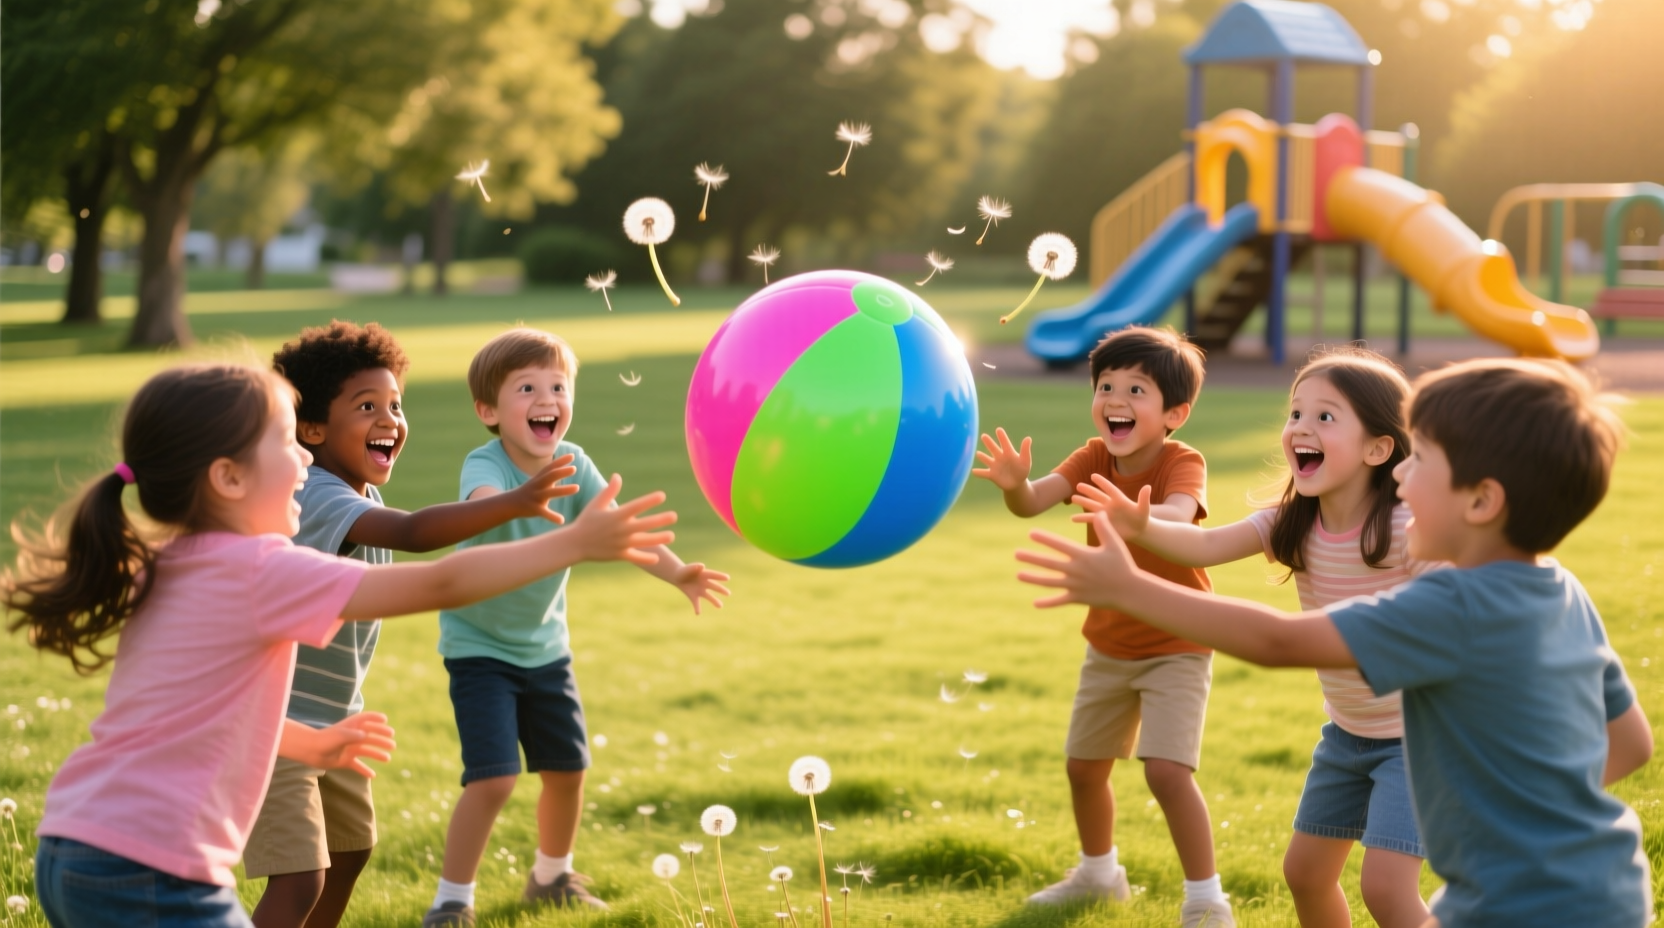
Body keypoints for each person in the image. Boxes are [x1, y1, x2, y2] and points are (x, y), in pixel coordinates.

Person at [4, 362, 676, 928]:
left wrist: (309, 743)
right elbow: (441, 580)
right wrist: (574, 542)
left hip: (74, 841)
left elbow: (196, 710)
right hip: (151, 866)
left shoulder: (169, 561)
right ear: (228, 478)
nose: (305, 459)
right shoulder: (263, 569)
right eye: (286, 442)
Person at [1018, 358, 1654, 928]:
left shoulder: (1449, 602)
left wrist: (1131, 588)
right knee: (1308, 873)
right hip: (1597, 883)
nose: (1404, 475)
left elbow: (1277, 642)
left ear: (1483, 501)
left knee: (1386, 889)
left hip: (1536, 899)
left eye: (1422, 460)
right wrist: (1532, 809)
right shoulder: (1557, 587)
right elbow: (1632, 743)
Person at [1077, 347, 1433, 928]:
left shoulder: (1403, 527)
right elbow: (1205, 544)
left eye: (1325, 417)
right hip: (1347, 734)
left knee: (1388, 890)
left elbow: (1459, 592)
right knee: (1305, 875)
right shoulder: (1289, 519)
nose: (1301, 429)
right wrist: (1140, 525)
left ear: (1378, 448)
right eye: (1296, 414)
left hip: (1419, 736)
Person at [246, 322, 585, 928]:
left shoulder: (358, 493)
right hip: (279, 720)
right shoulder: (317, 495)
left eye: (396, 405)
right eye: (367, 406)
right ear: (313, 429)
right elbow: (414, 533)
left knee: (350, 853)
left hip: (336, 716)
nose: (390, 419)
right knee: (299, 878)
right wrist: (512, 501)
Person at [424, 328, 730, 928]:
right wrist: (520, 500)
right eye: (528, 388)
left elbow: (618, 531)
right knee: (493, 781)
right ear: (488, 410)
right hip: (480, 650)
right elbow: (482, 504)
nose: (548, 398)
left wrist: (678, 574)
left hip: (546, 651)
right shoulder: (483, 467)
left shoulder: (573, 462)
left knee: (568, 772)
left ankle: (550, 877)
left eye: (558, 386)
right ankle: (451, 901)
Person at [973, 326, 1233, 928]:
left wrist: (1135, 516)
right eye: (1106, 386)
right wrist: (1015, 486)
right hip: (1109, 643)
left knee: (1167, 771)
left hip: (1177, 642)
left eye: (1135, 389)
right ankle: (1099, 872)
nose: (1115, 399)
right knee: (1083, 767)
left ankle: (1205, 898)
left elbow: (1181, 518)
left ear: (1174, 413)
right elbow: (1035, 501)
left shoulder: (1181, 460)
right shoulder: (1094, 456)